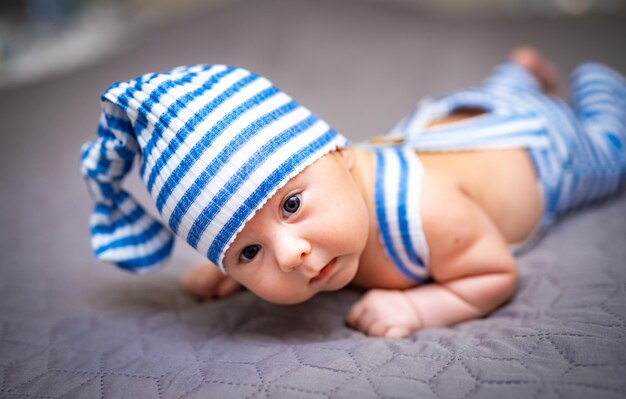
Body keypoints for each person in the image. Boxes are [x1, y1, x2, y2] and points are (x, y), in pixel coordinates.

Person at [80, 46, 626, 338]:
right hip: (450, 121)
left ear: (340, 152)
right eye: (248, 252)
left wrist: (418, 307)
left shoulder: (430, 216)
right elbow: (261, 214)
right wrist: (235, 273)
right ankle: (517, 72)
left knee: (611, 147)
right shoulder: (325, 182)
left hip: (541, 150)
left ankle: (599, 79)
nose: (291, 255)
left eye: (292, 205)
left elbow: (494, 274)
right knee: (492, 92)